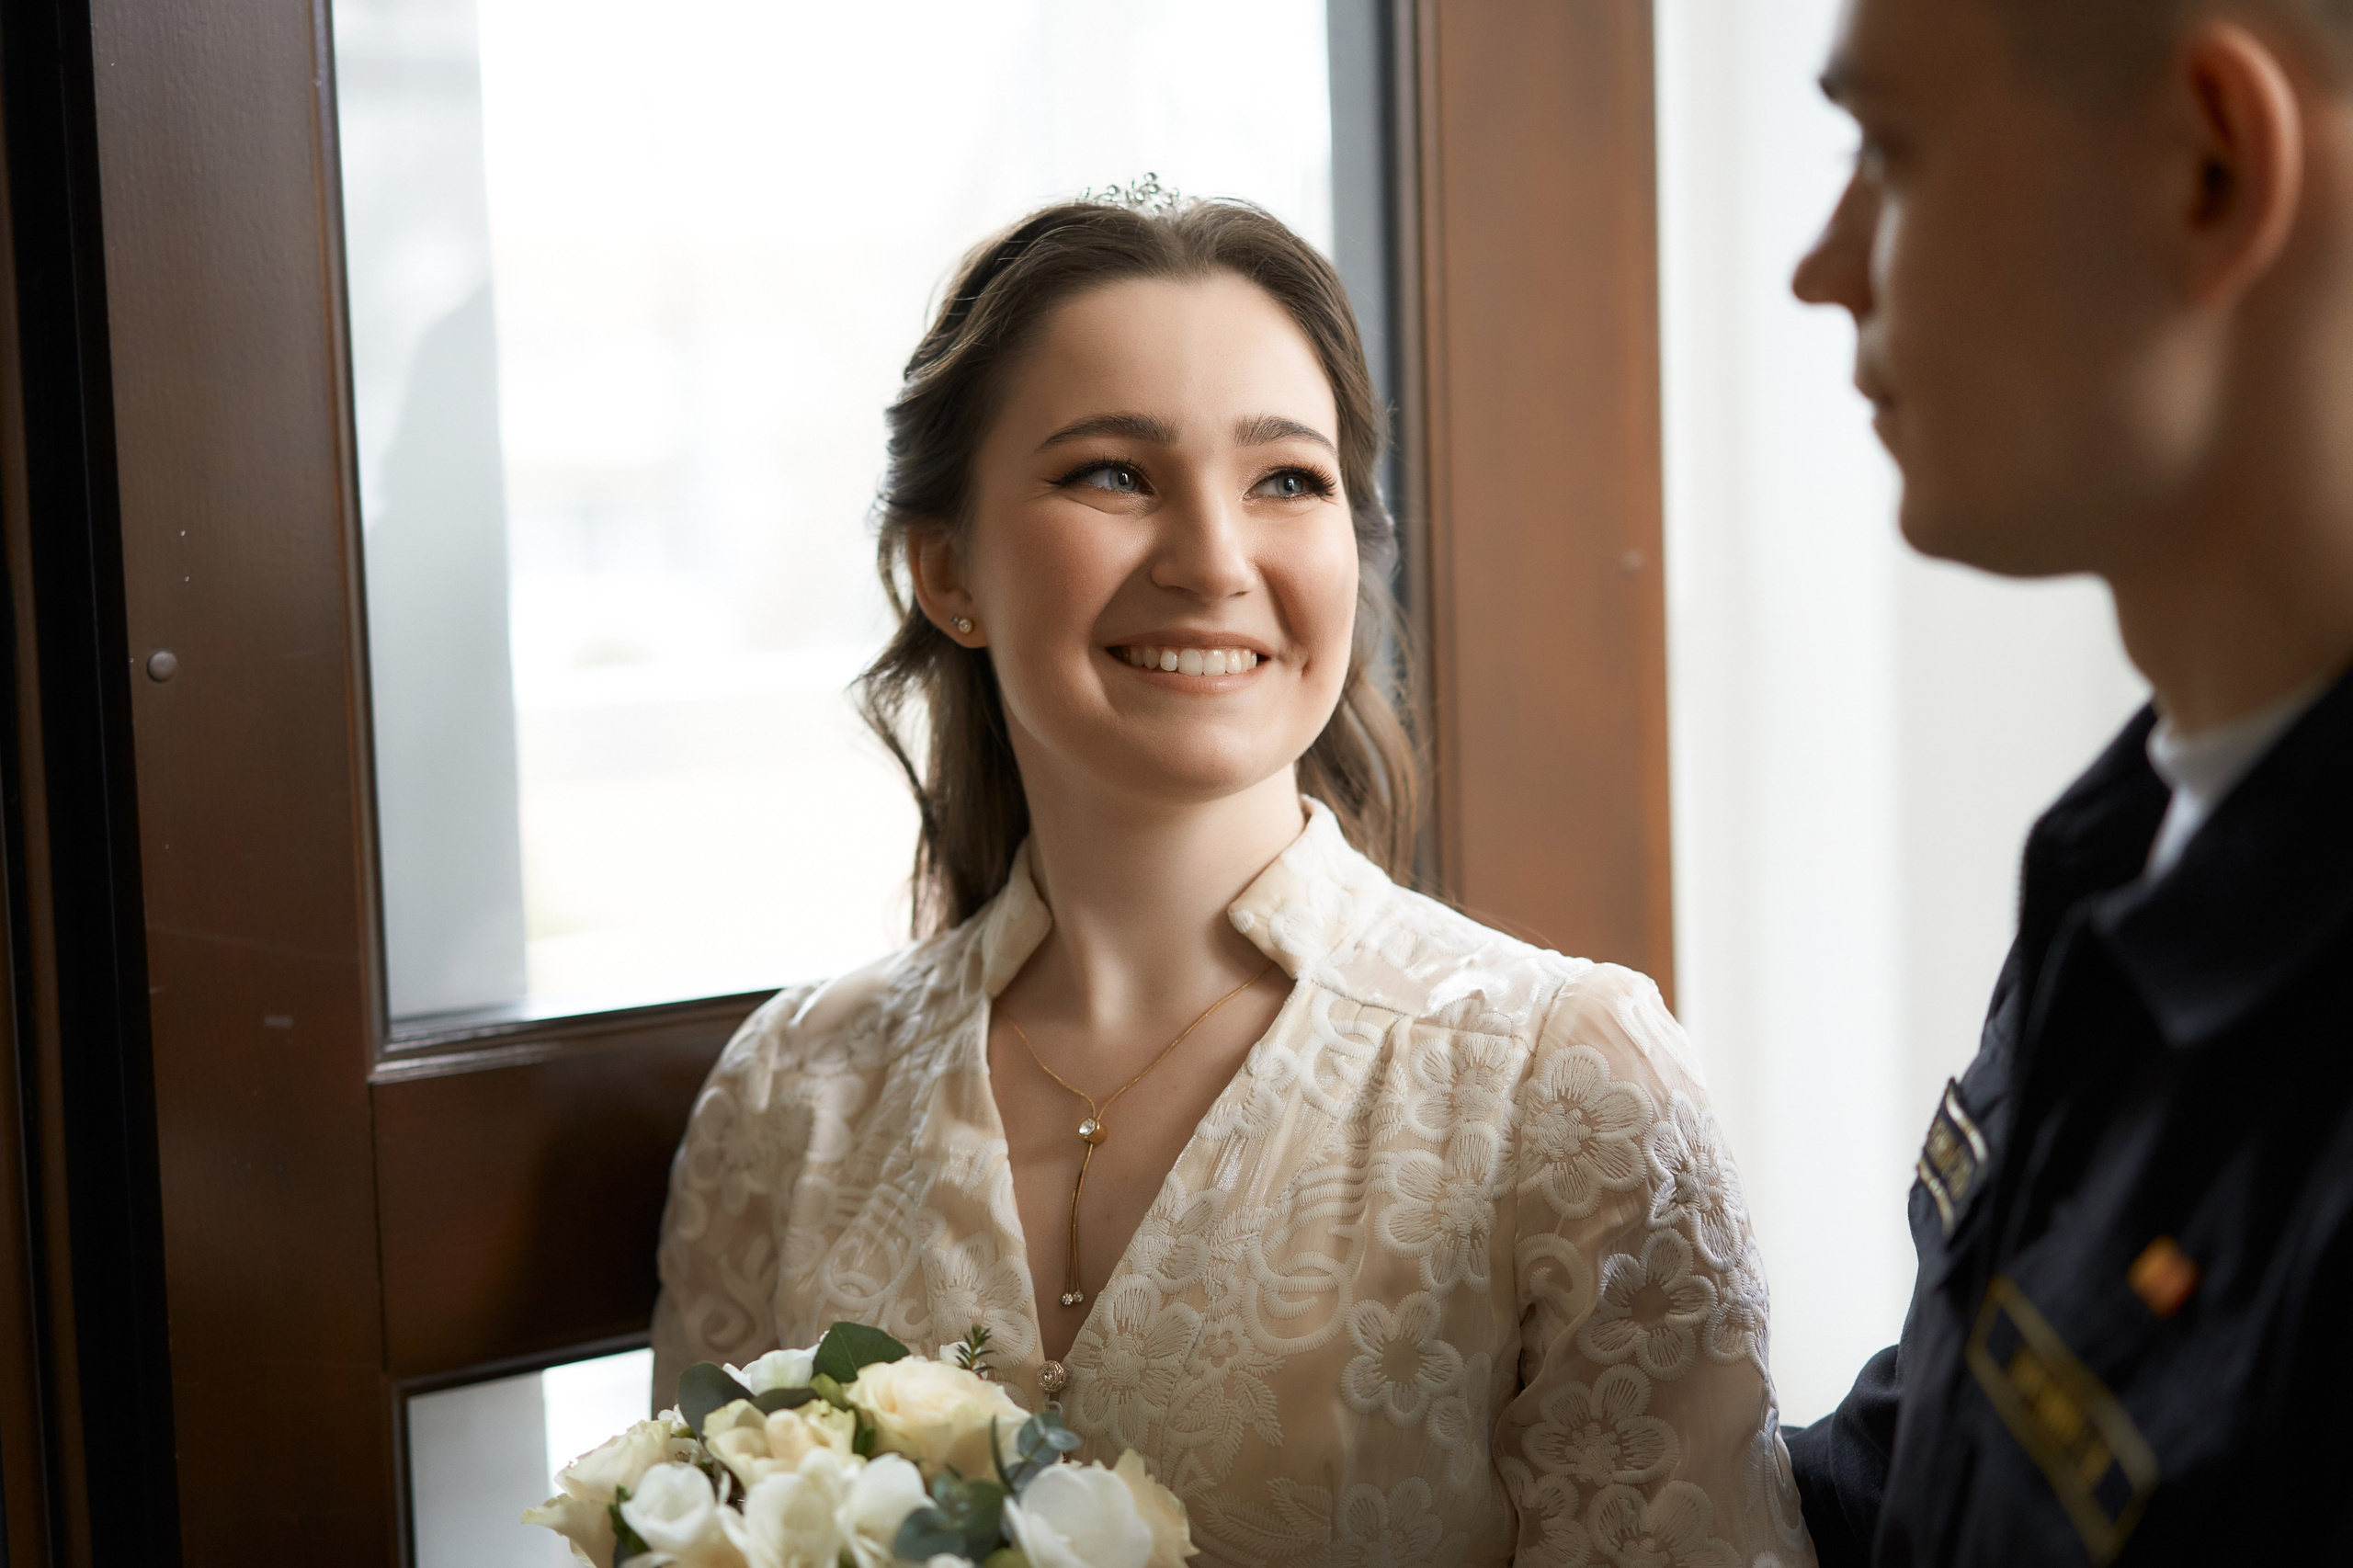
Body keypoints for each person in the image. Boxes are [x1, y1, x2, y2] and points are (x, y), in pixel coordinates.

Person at [653, 195, 1812, 1568]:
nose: (1213, 561)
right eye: (1114, 475)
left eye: (1287, 480)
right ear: (947, 569)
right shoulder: (791, 1098)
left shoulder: (1563, 1085)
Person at [1786, 1, 2353, 1562]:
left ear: (2211, 172)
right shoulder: (2127, 854)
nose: (1820, 267)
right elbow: (1929, 1485)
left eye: (1885, 153)